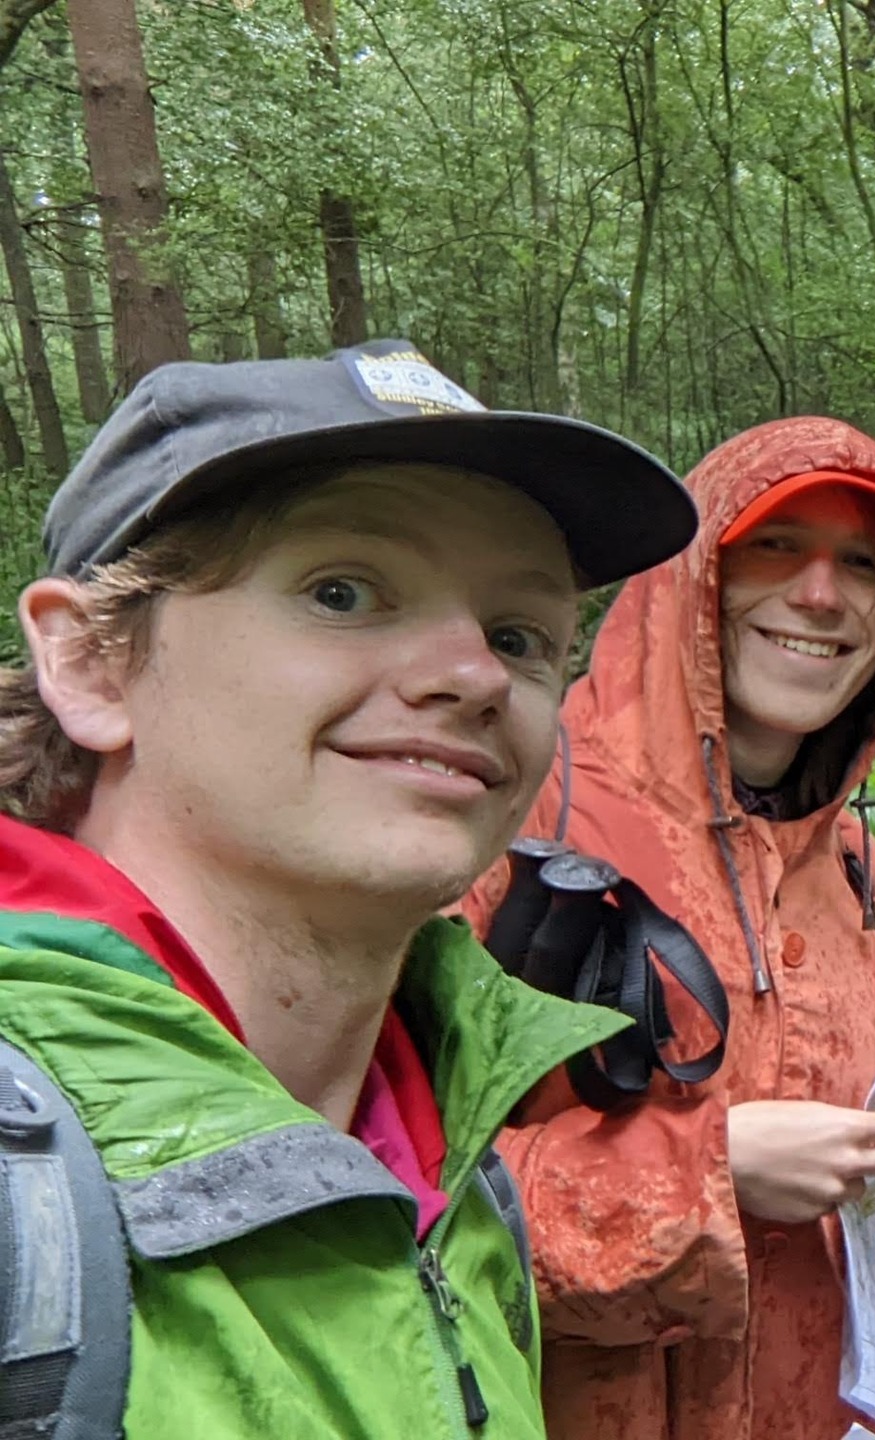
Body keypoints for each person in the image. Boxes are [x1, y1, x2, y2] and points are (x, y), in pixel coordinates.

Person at [0, 340, 696, 1437]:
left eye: (518, 636)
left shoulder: (458, 1162)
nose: (474, 676)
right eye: (343, 592)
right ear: (91, 662)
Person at [455, 417, 875, 1439]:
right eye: (775, 545)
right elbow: (396, 1188)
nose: (821, 594)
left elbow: (848, 1194)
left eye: (862, 564)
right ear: (693, 574)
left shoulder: (851, 869)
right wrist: (709, 1170)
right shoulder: (513, 811)